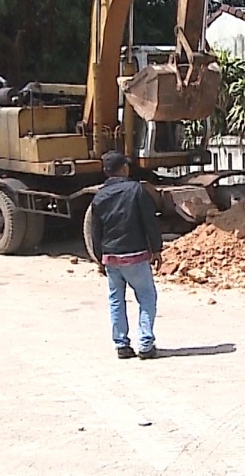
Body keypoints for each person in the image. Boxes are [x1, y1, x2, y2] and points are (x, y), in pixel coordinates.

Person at [89, 150, 164, 360]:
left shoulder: (99, 197)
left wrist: (99, 258)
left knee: (116, 300)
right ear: (123, 168)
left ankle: (121, 345)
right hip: (137, 256)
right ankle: (146, 344)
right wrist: (156, 249)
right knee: (147, 296)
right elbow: (150, 222)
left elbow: (96, 231)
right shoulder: (136, 190)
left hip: (111, 257)